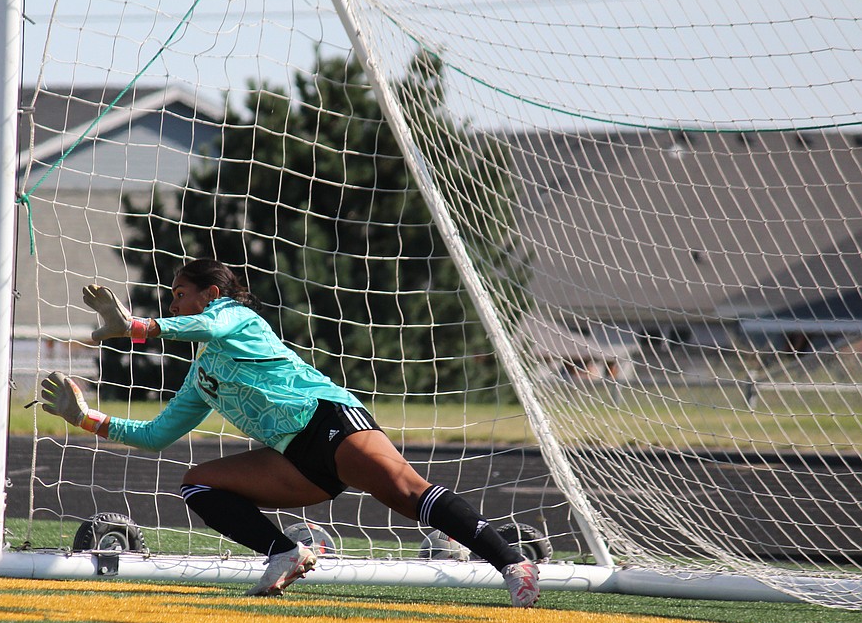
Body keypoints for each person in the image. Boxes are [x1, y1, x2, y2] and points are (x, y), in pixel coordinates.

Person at [40, 258, 540, 605]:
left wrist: (136, 328)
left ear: (212, 295)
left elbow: (206, 329)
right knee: (197, 481)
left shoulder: (234, 315)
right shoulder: (200, 374)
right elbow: (155, 436)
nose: (173, 305)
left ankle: (512, 564)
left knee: (409, 494)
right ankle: (284, 553)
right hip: (294, 459)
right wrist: (86, 418)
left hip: (328, 420)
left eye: (180, 295)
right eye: (170, 298)